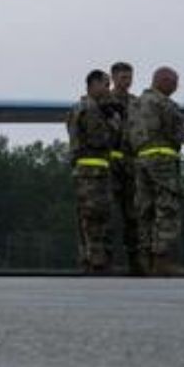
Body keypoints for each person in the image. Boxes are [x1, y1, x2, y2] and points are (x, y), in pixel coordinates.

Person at [128, 66, 184, 276]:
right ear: (163, 81)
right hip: (162, 159)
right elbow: (176, 133)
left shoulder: (135, 104)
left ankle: (145, 260)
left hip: (141, 159)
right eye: (174, 83)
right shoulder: (164, 103)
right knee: (167, 209)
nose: (176, 87)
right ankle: (163, 259)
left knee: (145, 210)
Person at [67, 69, 117, 274]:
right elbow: (101, 139)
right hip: (92, 172)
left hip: (90, 170)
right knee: (95, 217)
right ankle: (96, 261)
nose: (108, 90)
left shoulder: (81, 107)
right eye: (106, 85)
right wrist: (113, 120)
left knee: (89, 217)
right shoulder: (90, 109)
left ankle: (89, 259)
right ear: (93, 84)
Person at [102, 61, 141, 274]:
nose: (127, 81)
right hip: (110, 165)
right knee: (107, 214)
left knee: (133, 215)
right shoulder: (103, 102)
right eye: (123, 77)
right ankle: (104, 261)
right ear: (114, 78)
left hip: (131, 165)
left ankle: (136, 261)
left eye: (130, 77)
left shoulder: (136, 103)